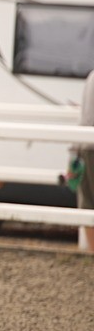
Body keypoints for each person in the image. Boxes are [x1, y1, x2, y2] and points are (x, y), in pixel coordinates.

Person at [79, 69, 94, 251]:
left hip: (86, 147)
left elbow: (82, 119)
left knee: (88, 204)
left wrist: (73, 152)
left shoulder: (91, 76)